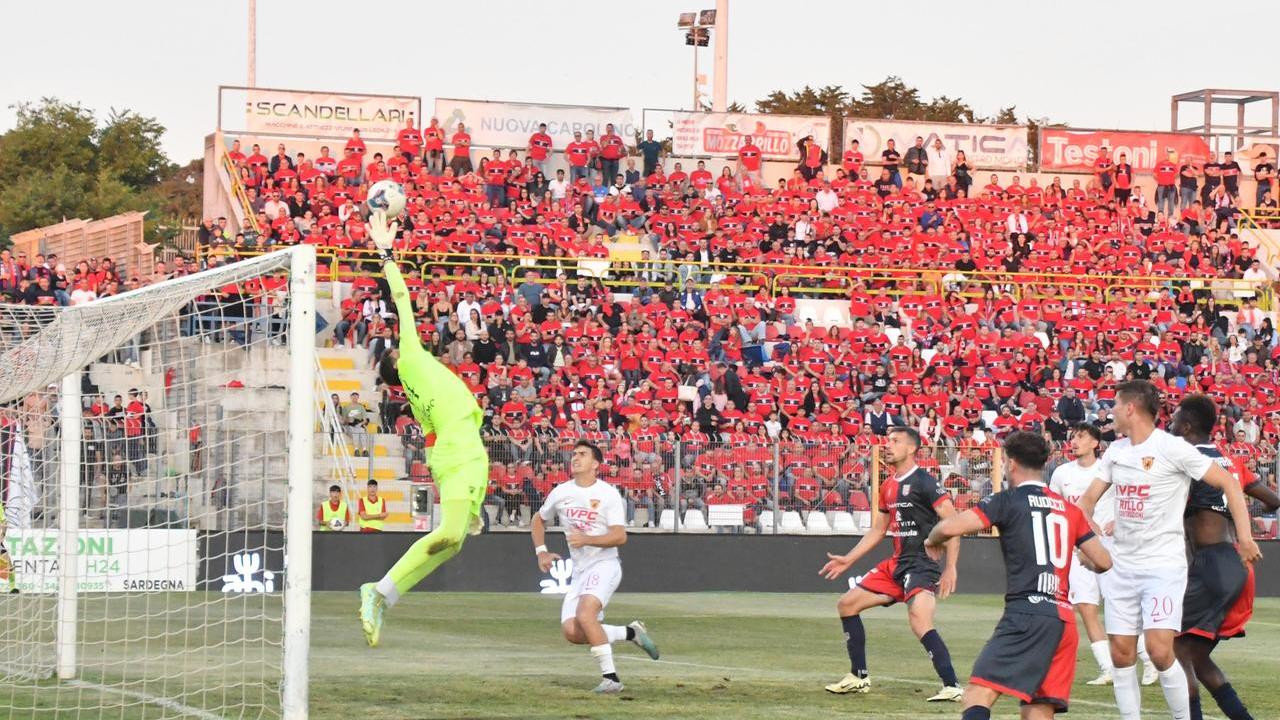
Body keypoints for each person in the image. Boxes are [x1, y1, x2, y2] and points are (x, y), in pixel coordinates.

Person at [1078, 380, 1261, 720]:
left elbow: (1230, 484)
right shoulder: (1116, 451)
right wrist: (1087, 534)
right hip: (1121, 566)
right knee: (1121, 654)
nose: (1111, 411)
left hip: (1163, 567)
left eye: (1115, 405)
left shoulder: (1172, 448)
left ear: (1131, 408)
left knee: (1162, 651)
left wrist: (1246, 538)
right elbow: (1086, 501)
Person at [357, 209, 491, 648]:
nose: (397, 341)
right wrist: (385, 253)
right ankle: (377, 591)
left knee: (453, 545)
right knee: (451, 535)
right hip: (458, 454)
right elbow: (401, 299)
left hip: (468, 452)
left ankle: (384, 595)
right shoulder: (412, 354)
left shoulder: (415, 396)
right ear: (396, 362)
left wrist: (436, 464)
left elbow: (429, 433)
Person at [925, 431, 1112, 720]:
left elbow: (949, 527)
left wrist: (932, 539)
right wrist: (1085, 562)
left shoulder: (1007, 500)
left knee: (978, 693)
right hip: (1063, 620)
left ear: (1011, 463)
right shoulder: (1069, 509)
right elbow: (1103, 561)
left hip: (1027, 614)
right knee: (1037, 710)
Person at [818, 426, 962, 702]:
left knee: (919, 620)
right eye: (887, 441)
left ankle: (952, 685)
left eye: (895, 441)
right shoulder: (888, 485)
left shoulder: (925, 482)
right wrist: (848, 559)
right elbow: (878, 530)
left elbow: (953, 523)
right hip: (897, 564)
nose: (887, 445)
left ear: (911, 448)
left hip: (922, 563)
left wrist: (950, 568)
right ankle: (858, 677)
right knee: (847, 604)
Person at [1168, 394, 1279, 720]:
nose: (1171, 423)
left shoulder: (1186, 460)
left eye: (1174, 418)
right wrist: (1234, 513)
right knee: (1199, 657)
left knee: (1177, 650)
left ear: (1186, 426)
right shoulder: (1229, 460)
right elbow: (1272, 500)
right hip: (1238, 565)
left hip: (1211, 564)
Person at [530, 441, 660, 693]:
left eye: (582, 454)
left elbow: (620, 536)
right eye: (574, 454)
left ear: (596, 464)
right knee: (572, 631)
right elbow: (538, 519)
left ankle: (611, 679)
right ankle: (630, 633)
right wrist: (541, 552)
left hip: (605, 564)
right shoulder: (561, 492)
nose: (575, 458)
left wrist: (587, 539)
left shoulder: (608, 494)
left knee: (585, 615)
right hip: (581, 572)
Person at [1049, 424, 1158, 686]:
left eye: (1080, 436)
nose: (1074, 441)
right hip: (1077, 548)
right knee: (1086, 607)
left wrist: (1119, 522)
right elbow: (1055, 508)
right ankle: (1107, 667)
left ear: (1096, 443)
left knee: (1119, 605)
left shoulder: (1108, 469)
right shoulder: (1062, 473)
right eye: (1072, 436)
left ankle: (1148, 659)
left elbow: (1133, 498)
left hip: (1110, 545)